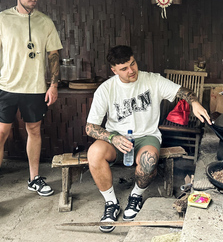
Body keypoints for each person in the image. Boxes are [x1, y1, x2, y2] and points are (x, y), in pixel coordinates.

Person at [86, 45, 211, 233]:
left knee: (149, 160)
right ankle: (111, 203)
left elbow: (182, 91)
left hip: (146, 137)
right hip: (117, 139)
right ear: (113, 70)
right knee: (94, 153)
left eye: (133, 64)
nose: (131, 71)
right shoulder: (106, 89)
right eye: (124, 69)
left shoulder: (152, 80)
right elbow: (90, 127)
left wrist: (194, 102)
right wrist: (113, 137)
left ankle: (135, 196)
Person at [0, 0, 63, 214]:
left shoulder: (45, 22)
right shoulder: (2, 19)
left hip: (35, 88)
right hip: (5, 88)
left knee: (34, 130)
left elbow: (54, 55)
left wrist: (53, 85)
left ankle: (34, 178)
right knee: (0, 134)